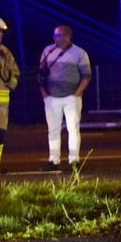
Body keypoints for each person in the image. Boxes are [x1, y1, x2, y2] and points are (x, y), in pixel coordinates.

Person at [39, 25, 91, 174]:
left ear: (67, 36)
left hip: (71, 97)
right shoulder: (48, 51)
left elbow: (86, 75)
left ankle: (74, 161)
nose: (55, 38)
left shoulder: (79, 53)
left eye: (58, 35)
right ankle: (53, 161)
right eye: (54, 35)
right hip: (51, 97)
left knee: (73, 129)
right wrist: (45, 95)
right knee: (53, 131)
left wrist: (76, 94)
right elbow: (40, 74)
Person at [0, 16, 21, 174]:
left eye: (1, 33)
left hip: (2, 104)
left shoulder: (5, 53)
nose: (1, 35)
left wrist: (10, 85)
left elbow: (15, 72)